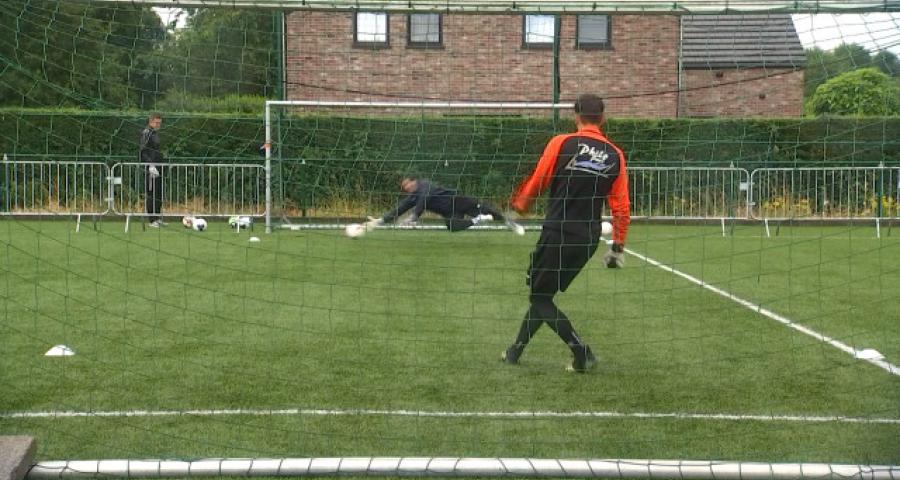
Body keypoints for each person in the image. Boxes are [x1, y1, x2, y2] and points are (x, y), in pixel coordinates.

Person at [501, 93, 630, 373]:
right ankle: (514, 351)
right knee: (543, 294)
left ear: (576, 116)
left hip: (558, 233)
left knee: (539, 297)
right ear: (603, 118)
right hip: (588, 239)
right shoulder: (616, 155)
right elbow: (621, 207)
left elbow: (539, 180)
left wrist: (519, 207)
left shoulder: (562, 143)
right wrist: (617, 246)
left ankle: (581, 352)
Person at [366, 176, 524, 235]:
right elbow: (399, 209)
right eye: (404, 186)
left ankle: (510, 223)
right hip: (449, 212)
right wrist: (379, 221)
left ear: (414, 181)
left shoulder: (425, 186)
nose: (406, 187)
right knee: (452, 226)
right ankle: (478, 220)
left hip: (459, 201)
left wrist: (414, 216)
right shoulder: (413, 197)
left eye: (408, 184)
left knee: (490, 210)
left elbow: (425, 198)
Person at [140, 113, 164, 227]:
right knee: (151, 193)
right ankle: (152, 220)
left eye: (160, 123)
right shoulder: (147, 133)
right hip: (151, 167)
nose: (158, 125)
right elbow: (143, 151)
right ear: (151, 122)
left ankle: (157, 217)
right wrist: (150, 165)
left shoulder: (155, 133)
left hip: (158, 166)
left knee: (158, 192)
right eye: (156, 122)